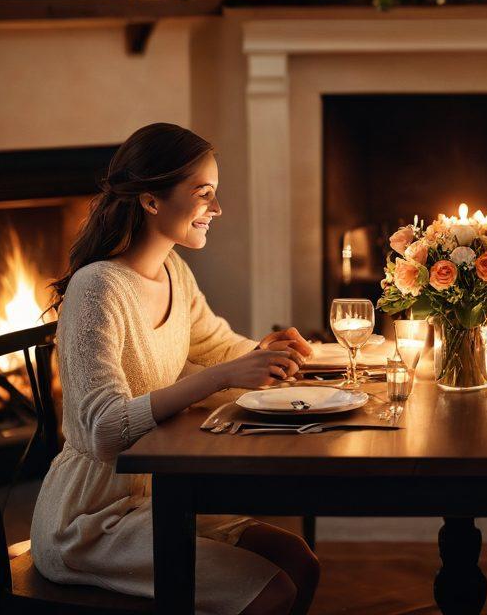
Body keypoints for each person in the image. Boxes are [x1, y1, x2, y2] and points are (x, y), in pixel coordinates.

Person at [31, 123, 320, 615]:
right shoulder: (97, 289)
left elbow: (217, 346)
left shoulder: (173, 271)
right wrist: (225, 376)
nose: (217, 209)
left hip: (157, 498)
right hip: (88, 521)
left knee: (298, 560)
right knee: (273, 591)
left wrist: (269, 352)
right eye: (203, 194)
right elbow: (102, 430)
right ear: (151, 201)